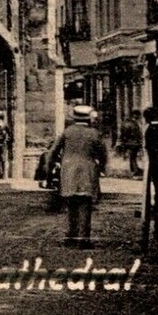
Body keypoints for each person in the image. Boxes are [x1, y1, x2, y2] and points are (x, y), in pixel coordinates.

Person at [48, 104, 108, 247]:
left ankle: (71, 237)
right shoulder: (95, 134)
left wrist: (50, 170)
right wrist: (101, 168)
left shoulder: (67, 132)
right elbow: (103, 154)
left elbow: (52, 153)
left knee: (71, 204)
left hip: (68, 172)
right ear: (89, 119)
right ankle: (83, 239)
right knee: (85, 204)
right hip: (88, 172)